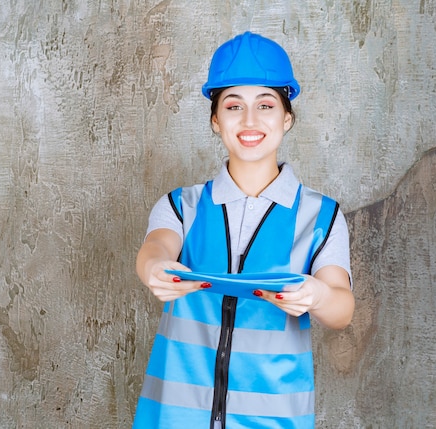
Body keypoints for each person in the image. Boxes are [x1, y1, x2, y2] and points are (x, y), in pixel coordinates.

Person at [132, 31, 355, 429]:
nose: (250, 120)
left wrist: (317, 295)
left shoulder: (322, 216)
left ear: (287, 117)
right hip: (175, 417)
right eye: (234, 106)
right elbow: (155, 249)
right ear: (216, 120)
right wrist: (152, 269)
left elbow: (341, 308)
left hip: (272, 420)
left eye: (265, 105)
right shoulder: (181, 206)